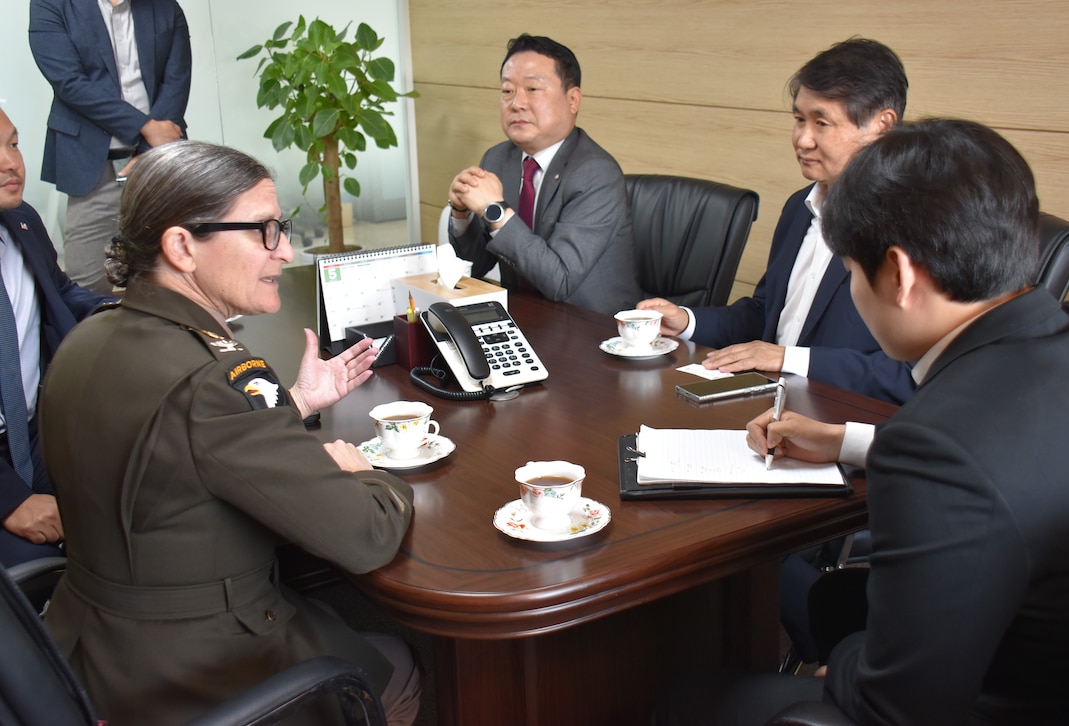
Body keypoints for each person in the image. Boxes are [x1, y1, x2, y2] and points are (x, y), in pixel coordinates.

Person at [658, 118, 1069, 725]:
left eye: (854, 274)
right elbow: (1020, 462)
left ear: (900, 274)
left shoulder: (941, 443)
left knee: (686, 700)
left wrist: (849, 662)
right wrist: (846, 441)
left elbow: (896, 708)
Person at [38, 141, 420, 726]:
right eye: (264, 231)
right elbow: (365, 536)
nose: (285, 249)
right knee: (399, 666)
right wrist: (368, 477)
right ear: (182, 246)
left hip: (85, 646)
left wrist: (292, 404)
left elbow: (166, 451)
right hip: (190, 672)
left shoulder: (87, 339)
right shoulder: (218, 377)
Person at [638, 38, 914, 405]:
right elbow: (764, 314)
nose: (802, 139)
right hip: (768, 408)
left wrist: (789, 359)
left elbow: (909, 376)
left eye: (822, 123)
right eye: (799, 119)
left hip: (843, 427)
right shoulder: (799, 207)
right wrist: (687, 322)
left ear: (882, 125)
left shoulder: (915, 226)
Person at [447, 33, 642, 315]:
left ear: (573, 100)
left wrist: (496, 211)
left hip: (593, 332)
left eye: (533, 90)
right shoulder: (498, 158)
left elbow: (559, 280)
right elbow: (474, 267)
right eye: (507, 91)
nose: (516, 103)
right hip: (526, 319)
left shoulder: (596, 173)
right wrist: (460, 213)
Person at [0, 106, 109, 568]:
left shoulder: (21, 220)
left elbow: (61, 292)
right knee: (37, 577)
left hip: (36, 435)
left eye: (12, 143)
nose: (11, 162)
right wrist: (8, 501)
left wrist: (129, 314)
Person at [29, 0, 192, 294]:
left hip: (159, 159)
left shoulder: (165, 7)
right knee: (87, 282)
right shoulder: (50, 5)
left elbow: (176, 80)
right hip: (92, 160)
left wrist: (149, 149)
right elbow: (70, 83)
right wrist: (145, 127)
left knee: (174, 274)